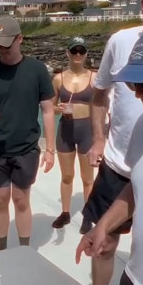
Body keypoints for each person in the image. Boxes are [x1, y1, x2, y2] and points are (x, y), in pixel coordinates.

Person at [81, 0, 143, 285]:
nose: (137, 93)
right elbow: (139, 184)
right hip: (134, 280)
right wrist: (104, 224)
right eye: (133, 84)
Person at [0, 16, 56, 251]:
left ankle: (25, 250)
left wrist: (50, 150)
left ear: (20, 39)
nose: (2, 51)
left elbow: (48, 111)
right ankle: (3, 250)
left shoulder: (37, 70)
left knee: (21, 200)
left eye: (6, 46)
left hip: (26, 148)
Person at [52, 37, 96, 234]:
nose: (78, 54)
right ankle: (65, 212)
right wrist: (58, 108)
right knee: (67, 176)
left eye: (81, 50)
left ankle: (88, 215)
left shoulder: (94, 78)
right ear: (67, 53)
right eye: (74, 50)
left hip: (87, 129)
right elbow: (49, 108)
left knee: (88, 178)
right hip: (66, 129)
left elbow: (101, 105)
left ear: (86, 53)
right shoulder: (58, 78)